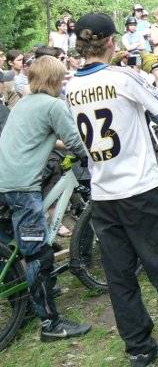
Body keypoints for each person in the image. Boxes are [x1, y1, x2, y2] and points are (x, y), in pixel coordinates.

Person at [67, 13, 158, 366]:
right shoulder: (123, 77)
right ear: (110, 41)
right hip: (141, 190)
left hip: (104, 195)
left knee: (120, 278)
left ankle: (139, 348)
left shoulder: (72, 86)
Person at [0, 55, 91, 342]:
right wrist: (94, 158)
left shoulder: (24, 102)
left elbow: (41, 136)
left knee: (13, 250)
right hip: (21, 187)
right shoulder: (53, 105)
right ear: (54, 79)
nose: (64, 82)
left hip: (4, 182)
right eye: (62, 78)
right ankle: (51, 324)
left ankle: (23, 307)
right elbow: (75, 141)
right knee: (38, 255)